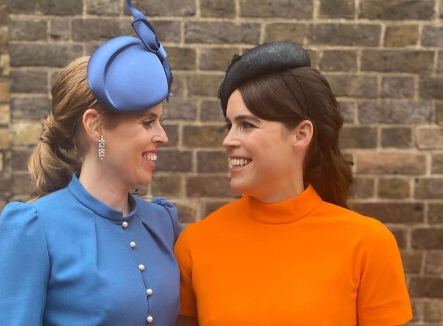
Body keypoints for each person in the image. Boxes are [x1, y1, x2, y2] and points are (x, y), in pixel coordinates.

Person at [175, 42, 412, 326]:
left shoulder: (368, 243)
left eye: (247, 124)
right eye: (230, 126)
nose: (228, 141)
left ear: (301, 134)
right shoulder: (196, 244)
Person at [0, 1, 181, 325]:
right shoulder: (35, 227)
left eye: (159, 121)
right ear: (95, 126)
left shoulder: (162, 222)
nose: (162, 136)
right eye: (147, 122)